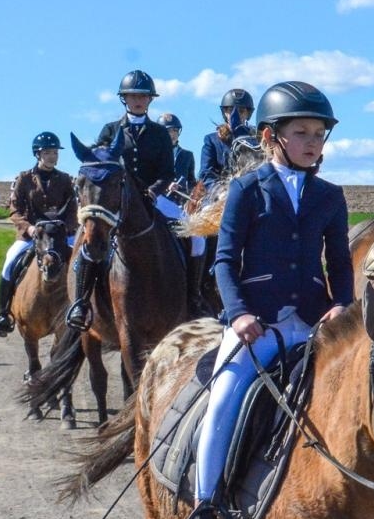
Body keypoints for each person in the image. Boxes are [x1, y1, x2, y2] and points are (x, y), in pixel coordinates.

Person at [178, 81, 354, 519]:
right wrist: (238, 315)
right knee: (224, 396)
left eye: (319, 134)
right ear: (269, 137)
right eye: (302, 133)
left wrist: (342, 303)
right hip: (257, 325)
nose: (313, 142)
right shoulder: (246, 190)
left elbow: (338, 262)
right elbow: (223, 262)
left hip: (316, 323)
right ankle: (206, 508)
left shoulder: (330, 196)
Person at [67, 70, 177, 330]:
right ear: (124, 99)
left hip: (152, 197)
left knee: (194, 238)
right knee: (89, 241)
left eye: (142, 96)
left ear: (150, 100)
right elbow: (98, 163)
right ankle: (81, 303)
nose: (137, 100)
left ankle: (194, 295)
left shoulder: (160, 134)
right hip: (116, 201)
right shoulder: (110, 130)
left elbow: (167, 172)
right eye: (132, 96)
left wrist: (153, 191)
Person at [0, 132, 76, 336]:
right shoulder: (24, 179)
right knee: (10, 262)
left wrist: (66, 226)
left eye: (55, 152)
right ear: (38, 154)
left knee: (83, 260)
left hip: (60, 234)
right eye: (48, 152)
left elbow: (72, 208)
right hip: (32, 234)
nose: (52, 156)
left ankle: (85, 310)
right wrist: (28, 228)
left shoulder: (65, 179)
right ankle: (4, 313)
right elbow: (15, 210)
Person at [157, 111, 210, 316]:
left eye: (173, 131)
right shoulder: (153, 154)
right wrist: (162, 185)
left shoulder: (186, 155)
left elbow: (191, 180)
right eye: (167, 131)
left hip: (177, 204)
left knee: (198, 239)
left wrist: (189, 191)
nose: (171, 134)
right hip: (156, 201)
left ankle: (193, 291)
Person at [199, 88, 255, 189]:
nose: (236, 116)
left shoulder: (256, 140)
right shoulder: (211, 140)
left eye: (241, 111)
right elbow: (206, 174)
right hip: (221, 193)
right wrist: (221, 191)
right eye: (231, 111)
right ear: (225, 112)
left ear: (248, 114)